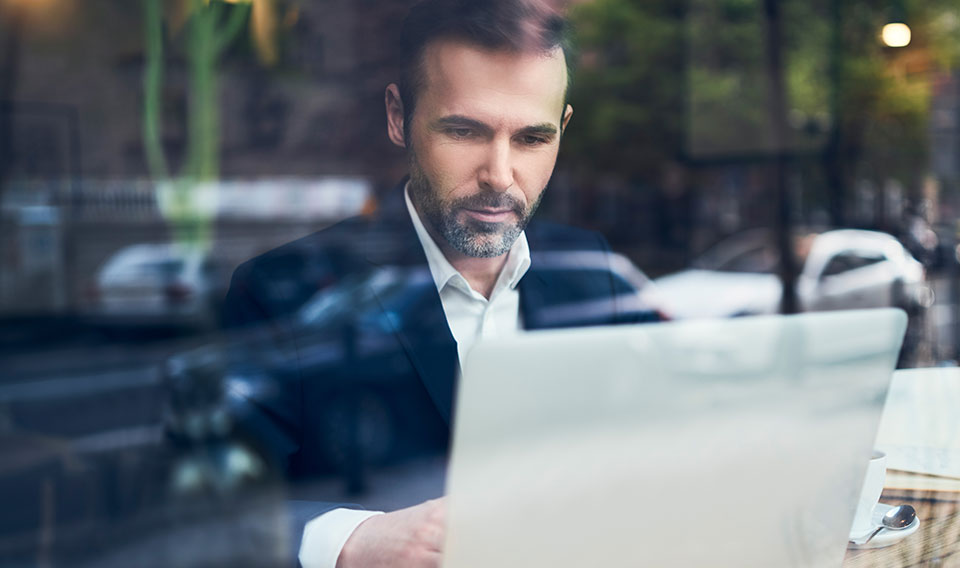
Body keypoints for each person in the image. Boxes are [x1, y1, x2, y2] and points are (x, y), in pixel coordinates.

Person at [222, 1, 657, 566]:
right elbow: (211, 515)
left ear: (563, 129)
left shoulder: (594, 272)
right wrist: (348, 543)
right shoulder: (275, 292)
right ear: (399, 116)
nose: (500, 176)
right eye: (464, 131)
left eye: (531, 139)